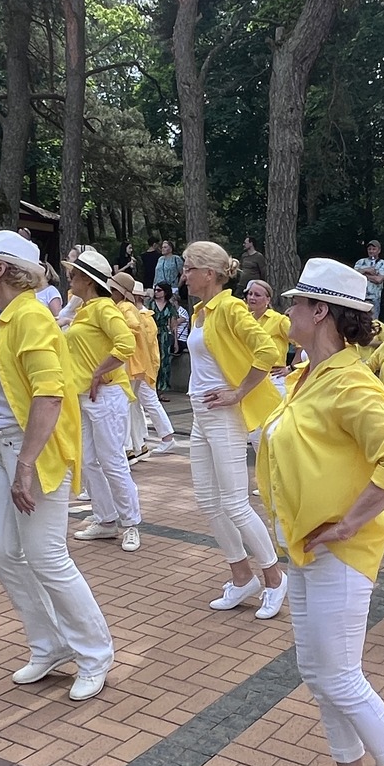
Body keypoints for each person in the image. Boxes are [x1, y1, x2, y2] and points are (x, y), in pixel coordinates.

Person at [260, 258, 384, 766]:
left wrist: (348, 521)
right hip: (308, 546)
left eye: (295, 304)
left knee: (339, 674)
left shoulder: (353, 381)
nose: (287, 312)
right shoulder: (312, 375)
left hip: (341, 550)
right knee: (317, 672)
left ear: (322, 312)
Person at [0, 230, 114, 699]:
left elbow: (49, 397)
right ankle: (49, 643)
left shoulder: (30, 318)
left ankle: (94, 653)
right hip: (2, 447)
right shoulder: (10, 319)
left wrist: (26, 466)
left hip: (31, 451)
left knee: (48, 556)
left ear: (3, 271)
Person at [182, 240, 288, 617]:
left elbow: (268, 352)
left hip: (224, 415)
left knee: (235, 504)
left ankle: (275, 578)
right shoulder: (200, 312)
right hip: (200, 413)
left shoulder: (228, 307)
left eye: (188, 268)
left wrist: (239, 392)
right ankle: (242, 577)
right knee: (209, 503)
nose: (184, 275)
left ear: (208, 274)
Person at [63, 247, 142, 550]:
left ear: (86, 278)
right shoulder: (86, 309)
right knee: (89, 461)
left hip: (105, 394)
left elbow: (126, 344)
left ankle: (131, 522)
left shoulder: (103, 308)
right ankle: (106, 518)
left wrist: (99, 373)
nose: (70, 277)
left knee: (112, 461)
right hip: (87, 395)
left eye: (74, 273)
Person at [113, 269, 178, 455]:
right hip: (142, 367)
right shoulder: (143, 315)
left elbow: (148, 346)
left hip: (138, 367)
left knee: (140, 403)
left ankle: (158, 439)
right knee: (135, 405)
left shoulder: (138, 315)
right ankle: (138, 442)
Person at [353, 240, 384, 317]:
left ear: (379, 250)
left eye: (374, 249)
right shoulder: (360, 262)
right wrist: (366, 270)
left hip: (374, 299)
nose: (371, 251)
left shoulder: (383, 263)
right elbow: (354, 275)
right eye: (369, 249)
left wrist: (364, 275)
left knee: (373, 322)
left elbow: (379, 279)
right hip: (360, 297)